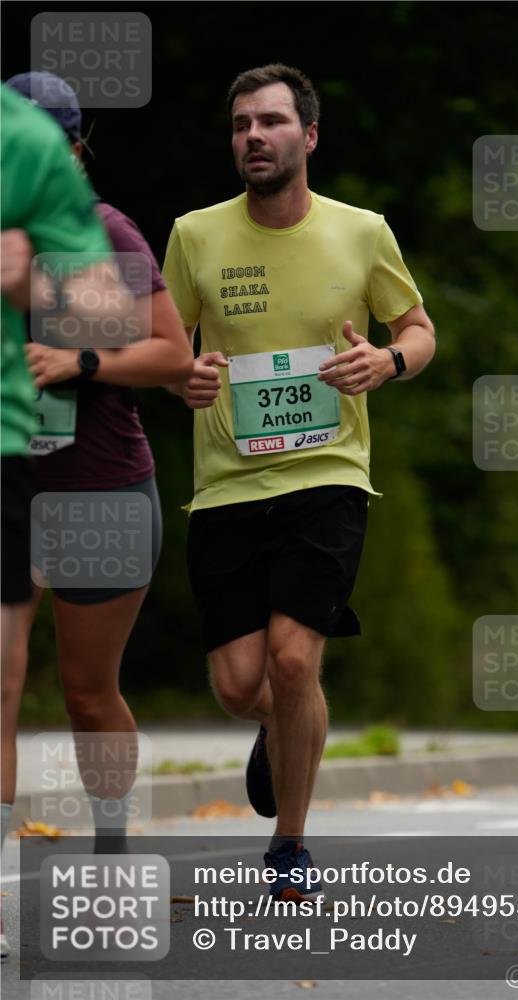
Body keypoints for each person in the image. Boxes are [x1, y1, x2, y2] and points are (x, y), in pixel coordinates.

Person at [163, 64, 435, 902]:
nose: (254, 135)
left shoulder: (361, 232)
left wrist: (385, 362)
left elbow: (419, 329)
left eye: (272, 121)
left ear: (307, 137)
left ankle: (288, 847)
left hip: (328, 473)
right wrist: (183, 379)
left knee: (290, 660)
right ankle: (282, 730)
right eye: (242, 123)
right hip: (226, 486)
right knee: (243, 684)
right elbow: (164, 346)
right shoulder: (193, 236)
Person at [0, 72, 193, 959]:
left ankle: (114, 859)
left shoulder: (108, 234)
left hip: (99, 486)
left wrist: (77, 361)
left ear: (74, 148)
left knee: (86, 693)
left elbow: (167, 355)